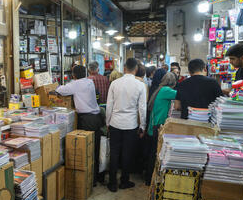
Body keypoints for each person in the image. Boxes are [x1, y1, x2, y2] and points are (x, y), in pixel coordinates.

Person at [56, 65, 104, 185]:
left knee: (87, 149)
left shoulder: (76, 84)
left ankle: (89, 180)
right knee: (95, 148)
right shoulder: (89, 82)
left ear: (74, 75)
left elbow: (60, 90)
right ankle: (96, 177)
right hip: (96, 118)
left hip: (87, 120)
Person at [106, 58, 147, 192]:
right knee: (127, 154)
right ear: (135, 69)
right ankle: (124, 181)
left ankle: (112, 183)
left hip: (115, 123)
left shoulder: (114, 83)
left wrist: (107, 122)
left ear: (124, 68)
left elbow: (109, 106)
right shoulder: (140, 85)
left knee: (114, 153)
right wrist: (143, 126)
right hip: (131, 124)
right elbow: (142, 108)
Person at [146, 72, 177, 185]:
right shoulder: (166, 91)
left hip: (154, 125)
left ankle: (148, 178)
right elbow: (180, 95)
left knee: (153, 152)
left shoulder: (160, 89)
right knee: (155, 153)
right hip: (157, 126)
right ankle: (150, 179)